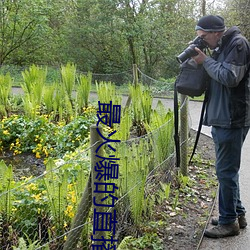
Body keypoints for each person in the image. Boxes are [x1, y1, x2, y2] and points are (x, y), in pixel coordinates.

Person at [192, 15, 250, 238]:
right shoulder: (221, 46)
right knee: (227, 171)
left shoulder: (238, 44)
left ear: (216, 32)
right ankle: (237, 214)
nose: (203, 41)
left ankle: (228, 223)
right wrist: (202, 60)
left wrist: (205, 61)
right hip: (222, 117)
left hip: (232, 118)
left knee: (225, 171)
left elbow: (229, 77)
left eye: (204, 37)